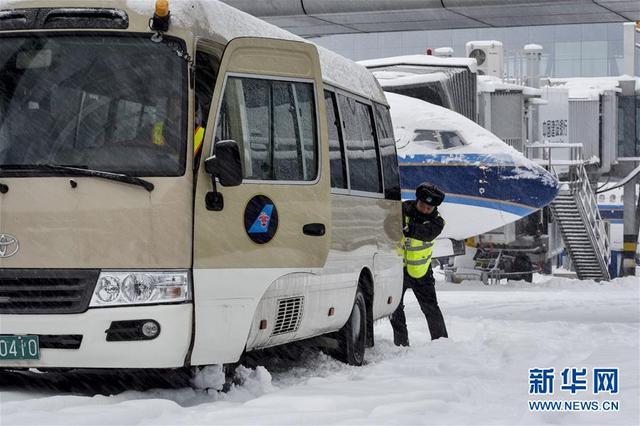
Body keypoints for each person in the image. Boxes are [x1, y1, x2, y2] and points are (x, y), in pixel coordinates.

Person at [390, 182, 448, 346]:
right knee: (395, 309)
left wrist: (406, 227)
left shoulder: (437, 222)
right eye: (422, 205)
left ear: (434, 209)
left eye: (429, 208)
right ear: (417, 201)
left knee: (431, 308)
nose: (424, 209)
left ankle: (441, 343)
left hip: (421, 272)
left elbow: (425, 234)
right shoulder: (402, 209)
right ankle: (401, 343)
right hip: (398, 270)